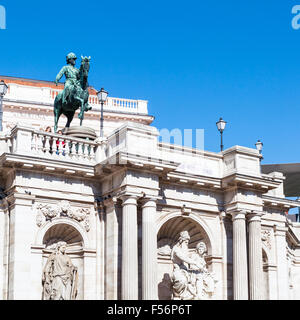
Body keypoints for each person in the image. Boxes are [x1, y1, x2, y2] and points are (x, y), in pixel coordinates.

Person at [170, 231, 200, 300]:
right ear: (181, 241)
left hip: (186, 271)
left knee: (197, 279)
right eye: (186, 242)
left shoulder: (184, 250)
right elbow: (184, 258)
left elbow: (190, 257)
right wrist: (196, 263)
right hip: (178, 271)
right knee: (182, 280)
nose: (187, 244)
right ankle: (176, 296)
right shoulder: (176, 249)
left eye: (187, 242)